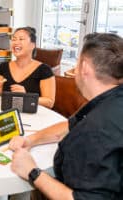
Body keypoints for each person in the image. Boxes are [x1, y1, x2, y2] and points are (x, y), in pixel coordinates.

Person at [9, 33, 123, 199]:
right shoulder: (110, 100)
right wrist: (31, 140)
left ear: (84, 68)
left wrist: (32, 171)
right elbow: (70, 125)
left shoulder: (95, 131)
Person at [0, 27, 55, 108]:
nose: (16, 42)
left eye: (21, 39)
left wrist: (26, 97)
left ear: (32, 45)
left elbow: (50, 102)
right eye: (14, 39)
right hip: (8, 114)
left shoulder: (44, 70)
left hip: (34, 116)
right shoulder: (3, 67)